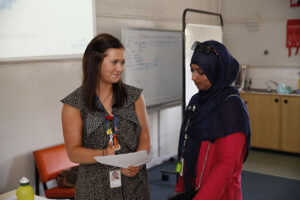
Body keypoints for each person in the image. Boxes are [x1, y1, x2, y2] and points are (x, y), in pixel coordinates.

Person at [61, 33, 151, 200]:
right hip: (95, 189)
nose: (120, 68)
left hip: (134, 187)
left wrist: (137, 162)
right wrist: (104, 154)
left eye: (122, 62)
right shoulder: (73, 104)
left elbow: (144, 135)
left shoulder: (135, 96)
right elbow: (73, 152)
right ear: (95, 63)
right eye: (114, 62)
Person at [171, 40, 251, 200]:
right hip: (191, 190)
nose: (194, 77)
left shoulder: (231, 107)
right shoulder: (196, 101)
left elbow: (226, 166)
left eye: (200, 72)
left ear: (216, 71)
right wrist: (180, 187)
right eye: (192, 70)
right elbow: (185, 146)